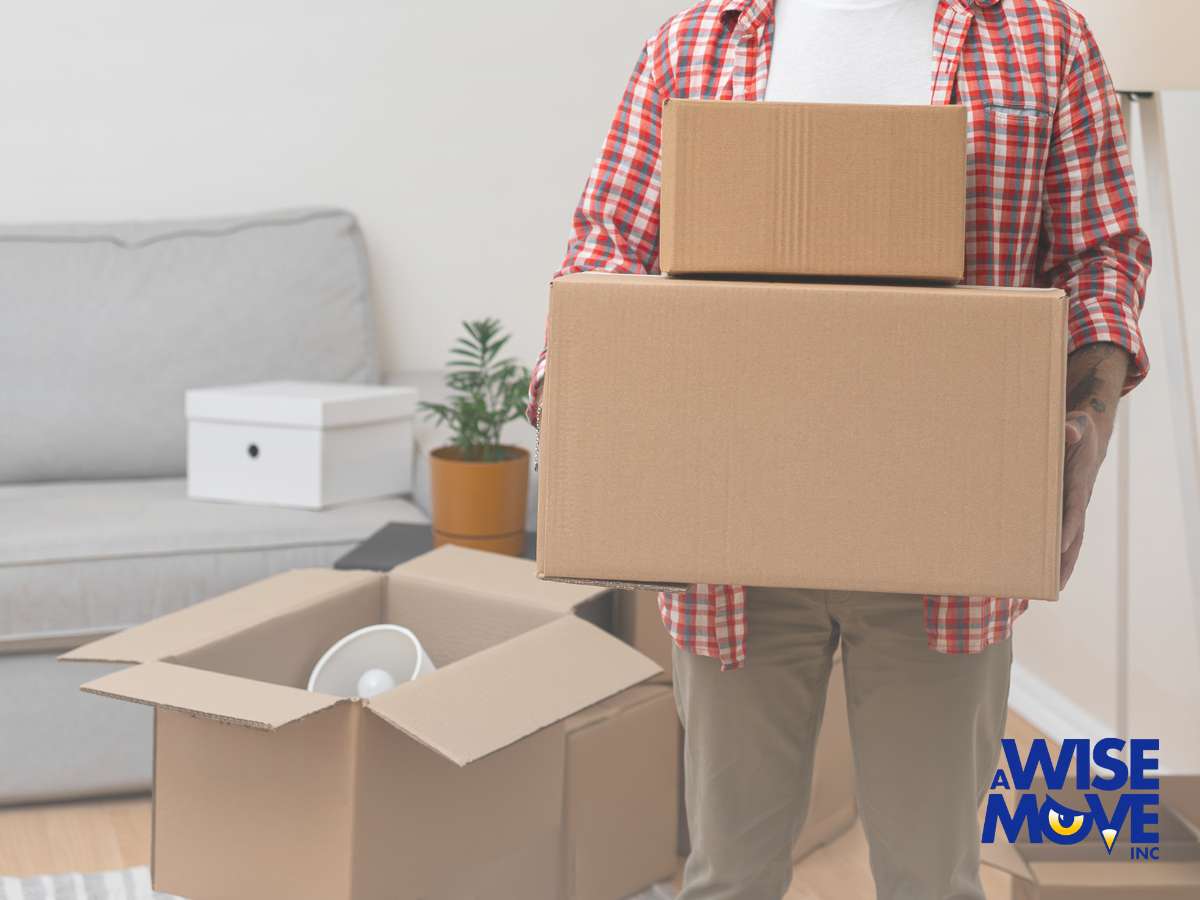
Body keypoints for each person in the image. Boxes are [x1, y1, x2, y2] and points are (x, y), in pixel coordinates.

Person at [527, 1, 1151, 897]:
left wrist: (1086, 431)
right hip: (729, 544)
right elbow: (607, 248)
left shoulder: (1043, 37)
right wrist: (586, 411)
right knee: (728, 876)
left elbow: (1102, 256)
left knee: (930, 877)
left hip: (947, 552)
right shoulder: (697, 39)